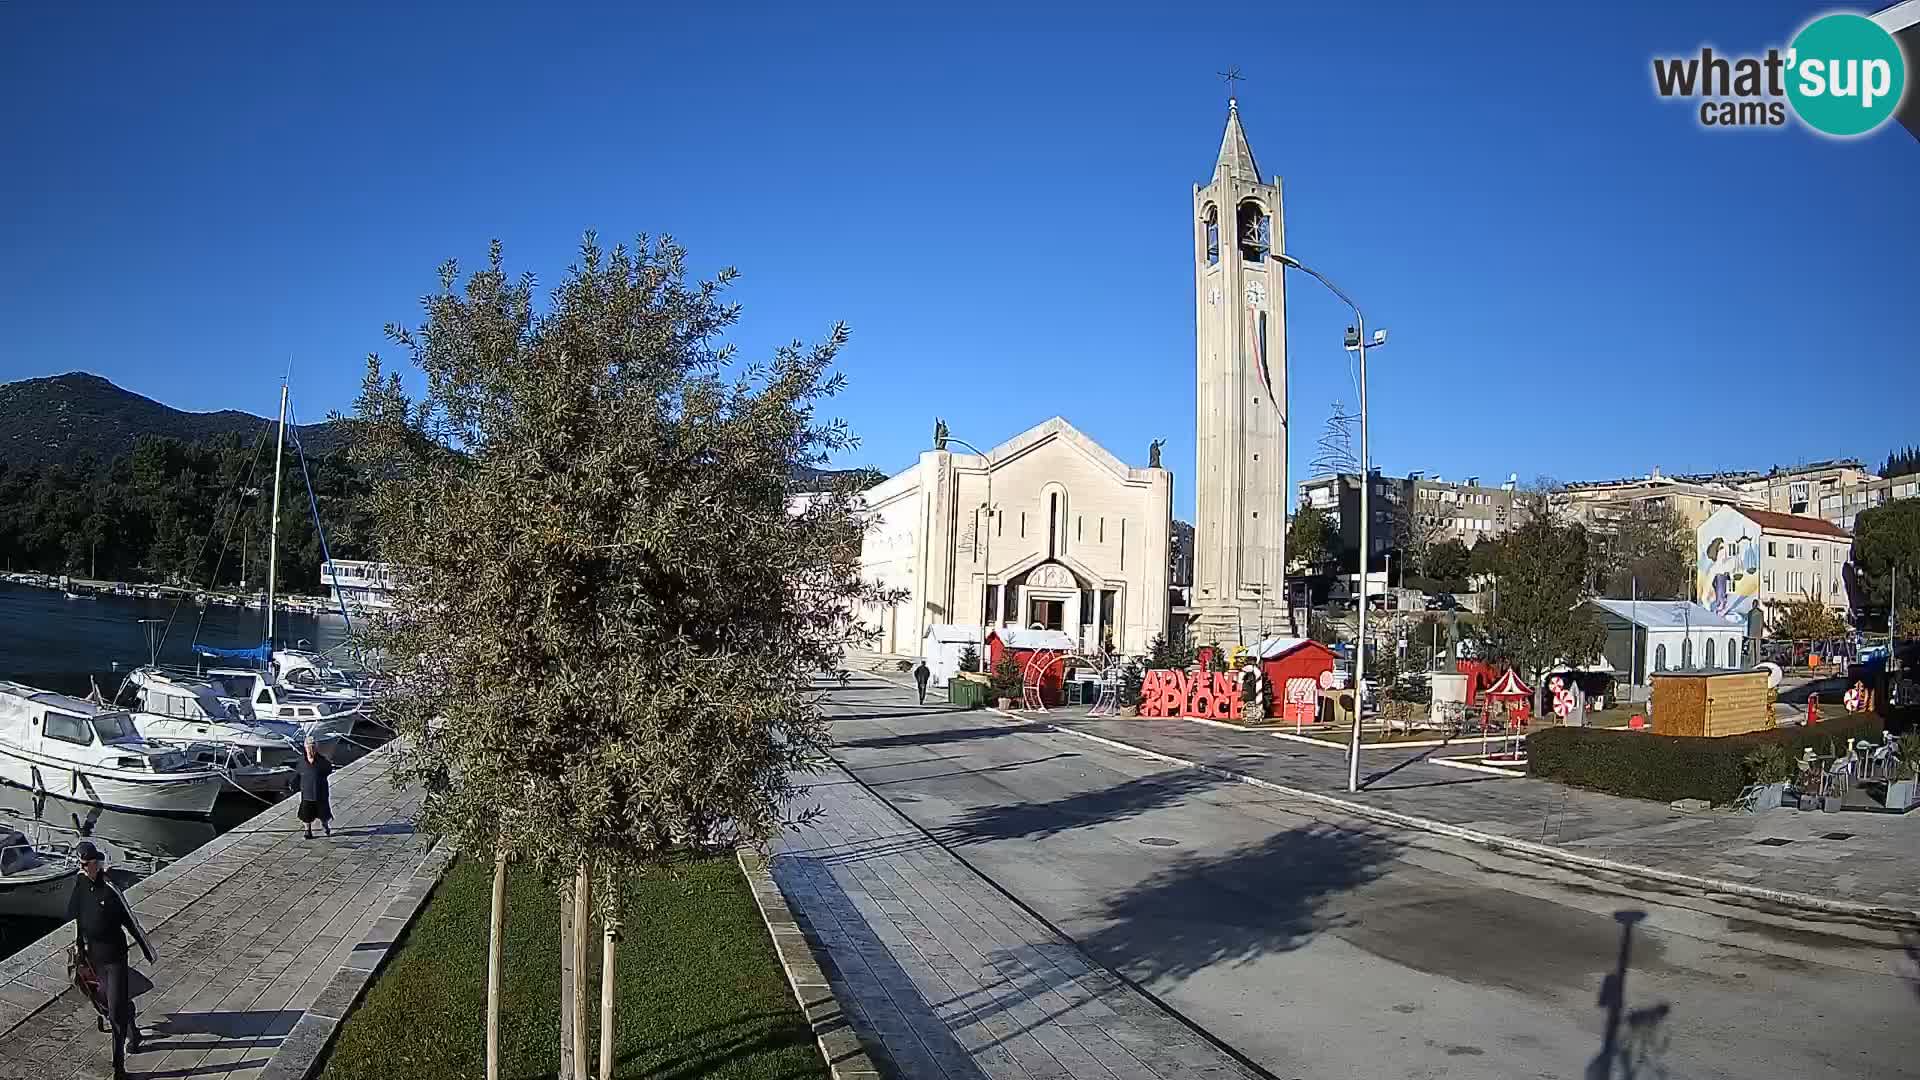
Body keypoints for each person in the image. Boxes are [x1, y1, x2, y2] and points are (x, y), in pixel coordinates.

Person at [70, 841, 154, 1079]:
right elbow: (77, 916)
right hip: (94, 957)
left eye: (88, 864)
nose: (84, 868)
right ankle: (134, 1031)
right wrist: (79, 948)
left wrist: (147, 950)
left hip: (115, 958)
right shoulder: (80, 882)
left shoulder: (110, 888)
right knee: (106, 1004)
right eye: (81, 864)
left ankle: (118, 1069)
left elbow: (130, 920)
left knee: (116, 1014)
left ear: (97, 863)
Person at [297, 736, 334, 839]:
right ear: (305, 748)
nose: (311, 749)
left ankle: (325, 825)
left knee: (324, 813)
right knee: (306, 813)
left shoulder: (323, 761)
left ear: (316, 748)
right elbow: (298, 774)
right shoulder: (301, 761)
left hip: (320, 791)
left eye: (313, 747)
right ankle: (307, 830)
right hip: (307, 792)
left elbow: (328, 770)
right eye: (309, 747)